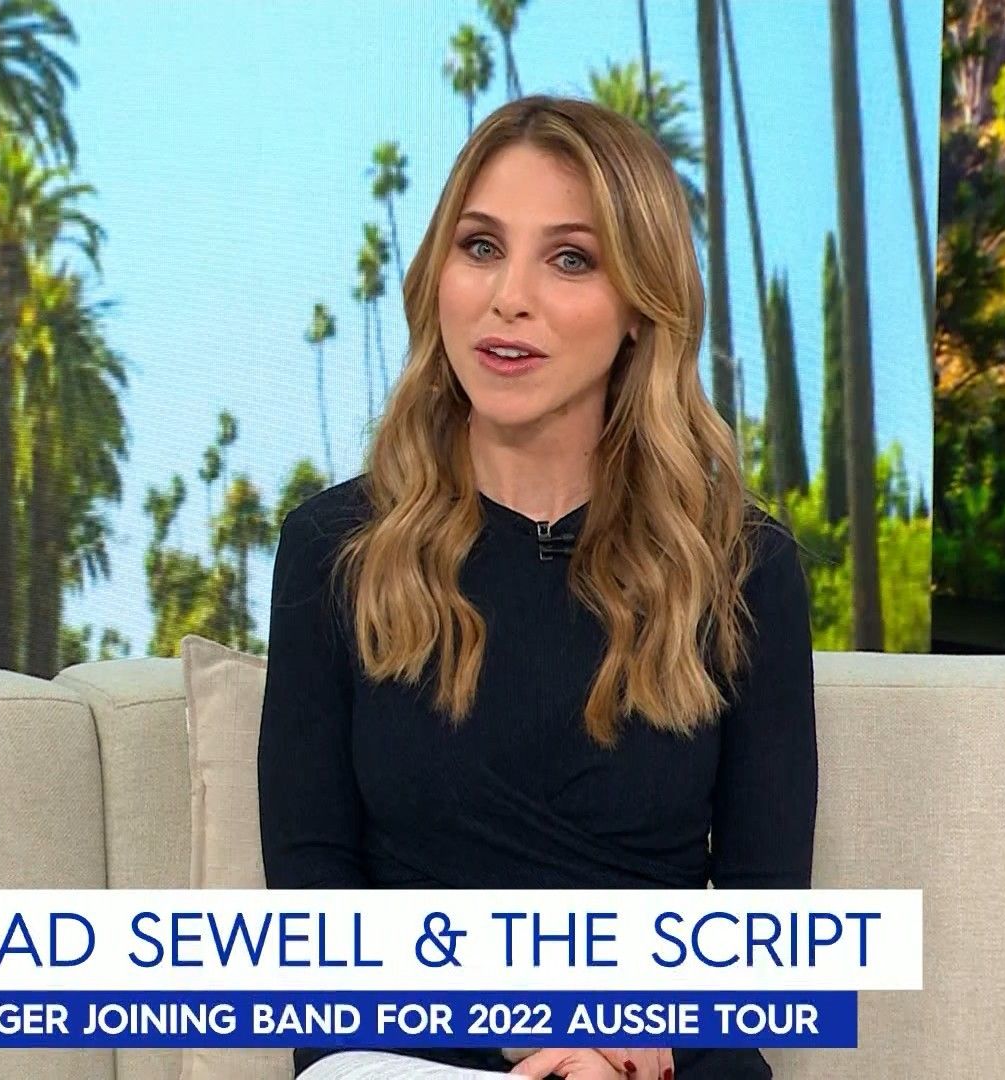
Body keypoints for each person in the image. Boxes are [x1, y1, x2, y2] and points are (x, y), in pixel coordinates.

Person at [258, 95, 818, 1080]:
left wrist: (636, 1044)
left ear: (641, 305)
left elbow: (763, 940)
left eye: (569, 259)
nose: (508, 297)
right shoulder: (333, 550)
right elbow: (316, 927)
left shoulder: (743, 569)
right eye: (481, 247)